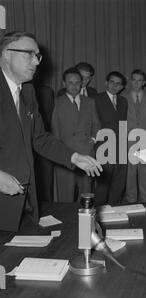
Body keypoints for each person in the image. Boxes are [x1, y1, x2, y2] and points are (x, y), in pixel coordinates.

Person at [0, 31, 102, 232]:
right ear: (5, 54)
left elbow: (40, 138)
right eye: (28, 54)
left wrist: (73, 157)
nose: (36, 62)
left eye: (37, 56)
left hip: (25, 196)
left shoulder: (28, 91)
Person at [51, 67, 100, 202]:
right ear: (64, 83)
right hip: (65, 156)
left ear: (82, 83)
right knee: (65, 197)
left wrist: (93, 139)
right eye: (70, 82)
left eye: (77, 82)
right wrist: (59, 153)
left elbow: (96, 124)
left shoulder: (89, 102)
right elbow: (54, 131)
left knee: (86, 197)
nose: (74, 86)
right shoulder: (56, 102)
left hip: (86, 155)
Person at [125, 69, 146, 204]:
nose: (136, 83)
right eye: (134, 79)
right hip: (129, 142)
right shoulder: (123, 97)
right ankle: (131, 199)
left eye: (139, 80)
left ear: (144, 82)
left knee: (145, 172)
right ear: (130, 80)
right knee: (130, 173)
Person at [94, 71, 128, 205]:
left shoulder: (123, 101)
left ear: (121, 87)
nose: (115, 86)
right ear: (106, 83)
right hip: (104, 147)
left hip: (121, 147)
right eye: (112, 82)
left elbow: (124, 124)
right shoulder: (96, 99)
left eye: (118, 84)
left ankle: (114, 208)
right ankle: (99, 213)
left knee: (119, 182)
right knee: (103, 184)